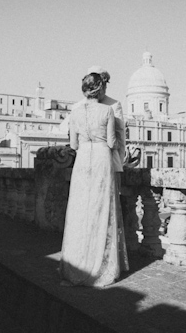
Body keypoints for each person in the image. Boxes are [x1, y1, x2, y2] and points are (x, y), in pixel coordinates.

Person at [60, 73, 129, 287]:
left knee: (80, 211)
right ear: (100, 88)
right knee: (101, 210)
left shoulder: (75, 112)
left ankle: (76, 263)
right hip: (101, 158)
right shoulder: (107, 110)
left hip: (82, 161)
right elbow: (111, 142)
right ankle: (99, 265)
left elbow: (72, 145)